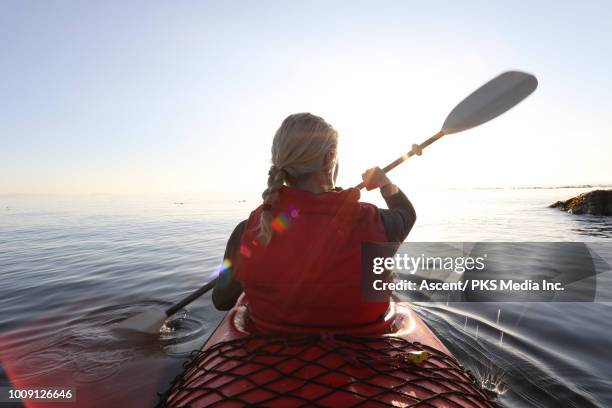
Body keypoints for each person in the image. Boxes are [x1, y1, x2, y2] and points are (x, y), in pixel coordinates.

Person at [212, 113, 416, 331]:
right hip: (366, 353)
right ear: (329, 159)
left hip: (270, 355)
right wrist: (385, 182)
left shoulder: (249, 230)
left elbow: (222, 300)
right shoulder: (378, 223)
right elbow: (406, 213)